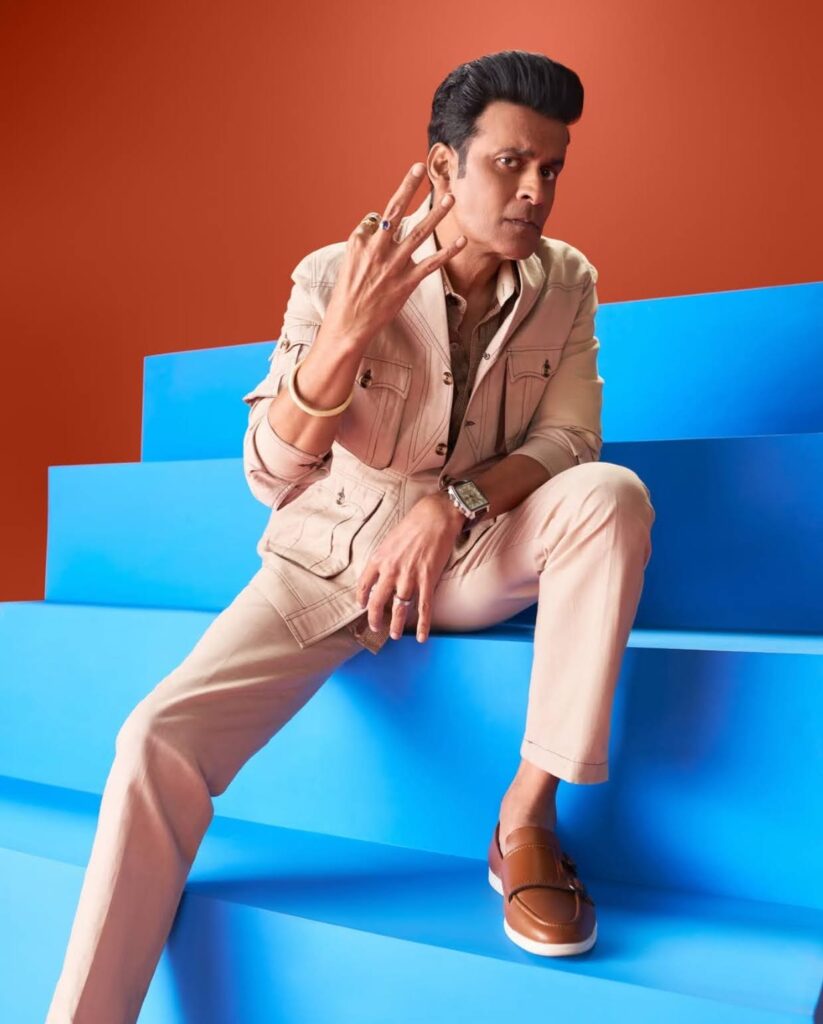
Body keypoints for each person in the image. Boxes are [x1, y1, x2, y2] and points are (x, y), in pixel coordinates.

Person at [46, 49, 654, 1022]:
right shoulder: (335, 272)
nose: (536, 191)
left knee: (611, 494)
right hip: (325, 562)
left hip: (468, 552)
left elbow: (568, 437)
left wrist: (450, 504)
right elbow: (268, 475)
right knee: (152, 739)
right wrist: (340, 340)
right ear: (442, 166)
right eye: (511, 163)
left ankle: (526, 817)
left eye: (553, 169)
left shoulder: (567, 280)